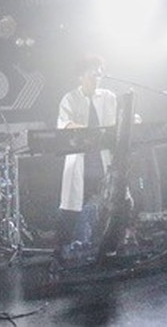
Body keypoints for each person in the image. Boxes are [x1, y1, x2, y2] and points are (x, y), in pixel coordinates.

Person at [55, 55, 118, 254]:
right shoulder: (70, 98)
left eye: (100, 73)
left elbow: (118, 121)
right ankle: (68, 250)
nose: (97, 77)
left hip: (104, 162)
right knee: (73, 208)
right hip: (81, 164)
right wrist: (89, 131)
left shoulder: (109, 97)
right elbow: (64, 124)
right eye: (93, 73)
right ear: (81, 76)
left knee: (113, 203)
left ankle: (104, 246)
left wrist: (132, 119)